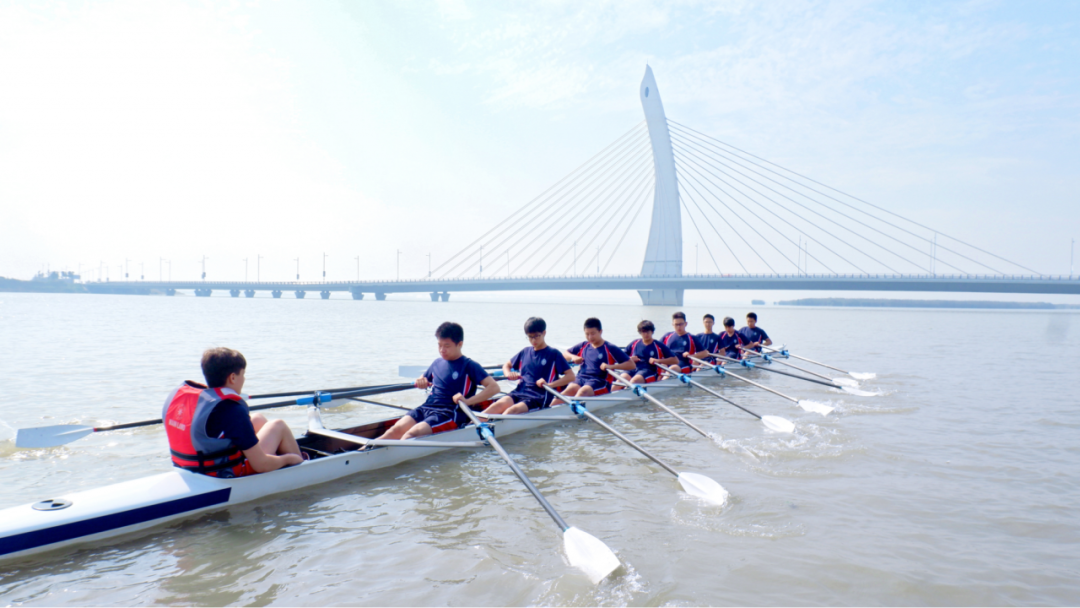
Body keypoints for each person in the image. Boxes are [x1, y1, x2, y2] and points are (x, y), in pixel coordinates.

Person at [162, 347, 303, 478]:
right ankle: (303, 467)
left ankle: (278, 456)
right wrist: (289, 459)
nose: (244, 379)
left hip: (192, 466)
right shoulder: (232, 409)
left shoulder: (198, 401)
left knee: (258, 419)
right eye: (243, 374)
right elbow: (261, 465)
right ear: (233, 378)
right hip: (224, 473)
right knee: (279, 425)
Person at [373, 322, 500, 441]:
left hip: (449, 414)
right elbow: (422, 379)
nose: (442, 350)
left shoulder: (469, 365)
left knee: (410, 435)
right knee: (393, 431)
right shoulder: (437, 363)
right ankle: (363, 453)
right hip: (426, 408)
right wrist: (421, 381)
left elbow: (494, 388)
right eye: (439, 345)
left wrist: (467, 402)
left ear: (460, 344)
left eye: (447, 346)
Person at [483, 317, 575, 416]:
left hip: (538, 397)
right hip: (519, 392)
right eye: (530, 337)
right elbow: (506, 365)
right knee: (495, 406)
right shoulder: (525, 352)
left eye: (536, 336)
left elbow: (570, 376)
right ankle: (472, 425)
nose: (533, 340)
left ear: (544, 333)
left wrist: (549, 385)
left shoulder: (553, 354)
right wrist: (509, 374)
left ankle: (495, 428)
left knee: (511, 411)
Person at [562, 317, 635, 397]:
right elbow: (565, 354)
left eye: (593, 334)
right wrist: (573, 357)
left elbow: (631, 365)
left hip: (600, 381)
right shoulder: (583, 345)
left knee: (583, 391)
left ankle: (572, 407)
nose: (590, 337)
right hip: (581, 378)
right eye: (587, 334)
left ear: (600, 332)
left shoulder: (610, 347)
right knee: (569, 389)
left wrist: (611, 366)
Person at [621, 320, 678, 384]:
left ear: (652, 331)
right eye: (643, 332)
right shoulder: (634, 343)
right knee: (620, 379)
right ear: (640, 332)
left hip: (649, 370)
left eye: (648, 332)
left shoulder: (658, 345)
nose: (646, 334)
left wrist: (658, 361)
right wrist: (630, 359)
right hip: (633, 368)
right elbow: (621, 357)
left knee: (634, 381)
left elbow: (675, 360)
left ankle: (627, 390)